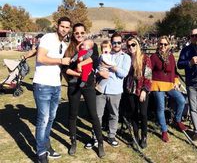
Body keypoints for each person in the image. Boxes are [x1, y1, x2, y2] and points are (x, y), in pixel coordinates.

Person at [32, 17, 71, 163]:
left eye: (67, 28)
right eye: (62, 26)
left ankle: (46, 145)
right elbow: (40, 57)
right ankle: (41, 153)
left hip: (56, 85)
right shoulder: (48, 38)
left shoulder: (63, 44)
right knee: (43, 119)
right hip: (43, 85)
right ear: (57, 26)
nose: (64, 30)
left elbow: (62, 68)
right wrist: (61, 60)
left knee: (51, 118)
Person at [64, 23, 105, 158]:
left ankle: (100, 143)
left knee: (93, 115)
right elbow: (65, 69)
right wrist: (78, 74)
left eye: (82, 33)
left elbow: (94, 60)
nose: (80, 35)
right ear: (73, 34)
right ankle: (73, 141)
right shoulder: (68, 49)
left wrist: (81, 64)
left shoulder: (92, 46)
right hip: (73, 85)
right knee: (72, 115)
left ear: (85, 33)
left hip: (88, 85)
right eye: (77, 33)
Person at [94, 32, 131, 147]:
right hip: (101, 89)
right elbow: (96, 69)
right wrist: (99, 72)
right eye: (114, 42)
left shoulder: (126, 57)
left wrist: (113, 67)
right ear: (111, 43)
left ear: (122, 43)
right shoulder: (104, 54)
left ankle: (111, 135)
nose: (116, 44)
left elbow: (124, 73)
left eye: (118, 42)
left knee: (114, 114)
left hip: (115, 91)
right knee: (97, 114)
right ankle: (96, 136)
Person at [150, 35, 187, 142]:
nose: (162, 46)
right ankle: (164, 130)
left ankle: (177, 120)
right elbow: (148, 72)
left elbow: (175, 72)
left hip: (170, 85)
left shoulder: (171, 56)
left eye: (165, 44)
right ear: (158, 44)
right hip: (157, 86)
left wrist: (176, 82)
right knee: (160, 108)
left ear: (168, 45)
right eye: (161, 44)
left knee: (182, 100)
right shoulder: (154, 57)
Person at [123, 37, 152, 148]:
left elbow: (148, 76)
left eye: (133, 44)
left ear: (138, 45)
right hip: (130, 90)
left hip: (142, 90)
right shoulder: (126, 58)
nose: (131, 47)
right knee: (133, 113)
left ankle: (144, 137)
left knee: (143, 114)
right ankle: (136, 137)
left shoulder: (145, 58)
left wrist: (144, 90)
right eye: (129, 45)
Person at [177, 28, 197, 141]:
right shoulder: (185, 50)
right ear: (190, 37)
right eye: (193, 35)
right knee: (193, 108)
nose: (195, 37)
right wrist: (190, 62)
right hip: (191, 82)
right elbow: (179, 65)